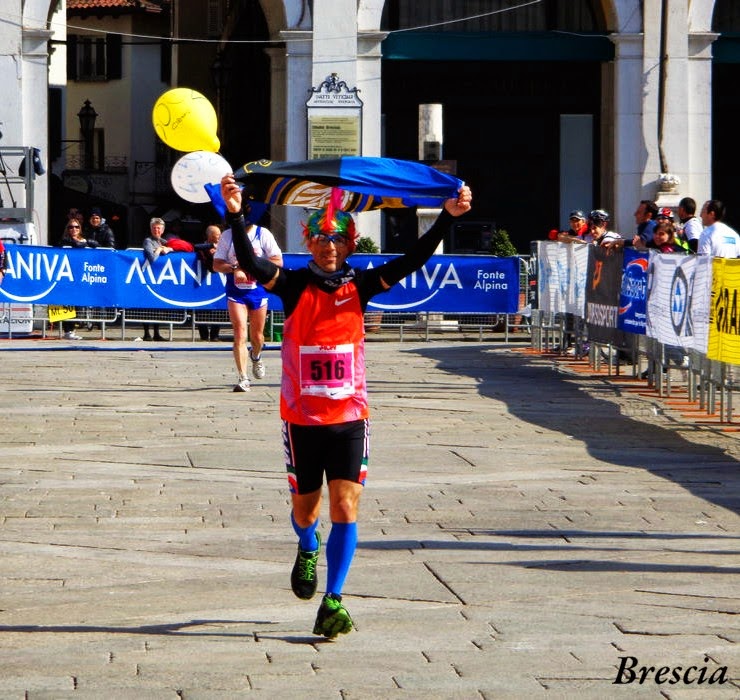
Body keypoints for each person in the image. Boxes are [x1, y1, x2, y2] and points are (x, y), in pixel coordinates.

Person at [220, 172, 472, 639]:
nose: (328, 247)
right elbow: (254, 265)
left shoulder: (363, 285)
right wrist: (236, 215)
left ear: (349, 244)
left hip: (350, 418)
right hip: (302, 420)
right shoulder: (293, 286)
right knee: (305, 513)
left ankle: (333, 601)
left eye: (336, 239)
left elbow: (412, 259)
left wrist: (445, 220)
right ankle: (307, 544)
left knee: (347, 508)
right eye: (319, 238)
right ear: (309, 242)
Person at [212, 215, 283, 391]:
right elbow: (217, 264)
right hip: (236, 292)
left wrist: (253, 266)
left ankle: (256, 356)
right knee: (239, 332)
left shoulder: (262, 234)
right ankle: (243, 377)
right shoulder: (228, 236)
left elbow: (278, 260)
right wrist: (235, 268)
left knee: (257, 336)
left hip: (258, 291)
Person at [142, 217, 173, 341]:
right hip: (148, 276)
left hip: (161, 277)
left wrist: (169, 249)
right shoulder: (148, 241)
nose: (156, 230)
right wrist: (160, 250)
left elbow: (177, 250)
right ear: (151, 229)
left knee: (158, 307)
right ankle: (146, 333)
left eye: (159, 228)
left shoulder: (165, 241)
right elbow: (152, 258)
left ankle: (157, 333)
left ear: (163, 230)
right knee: (147, 306)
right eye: (154, 228)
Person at [194, 224, 223, 341]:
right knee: (202, 308)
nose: (220, 237)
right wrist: (211, 250)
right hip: (202, 282)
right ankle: (204, 335)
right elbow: (195, 248)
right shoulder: (203, 247)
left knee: (218, 308)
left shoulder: (222, 247)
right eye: (217, 235)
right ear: (210, 236)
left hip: (218, 282)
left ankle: (215, 335)